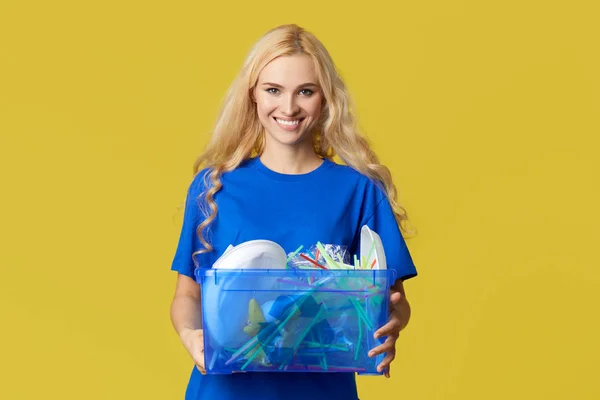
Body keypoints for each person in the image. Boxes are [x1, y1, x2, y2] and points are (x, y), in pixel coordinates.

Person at [169, 24, 418, 400]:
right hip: (225, 390)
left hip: (321, 391)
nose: (288, 107)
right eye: (273, 90)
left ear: (325, 99)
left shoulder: (359, 189)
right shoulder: (215, 187)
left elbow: (394, 300)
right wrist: (191, 336)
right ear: (253, 94)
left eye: (305, 91)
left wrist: (391, 325)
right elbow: (187, 295)